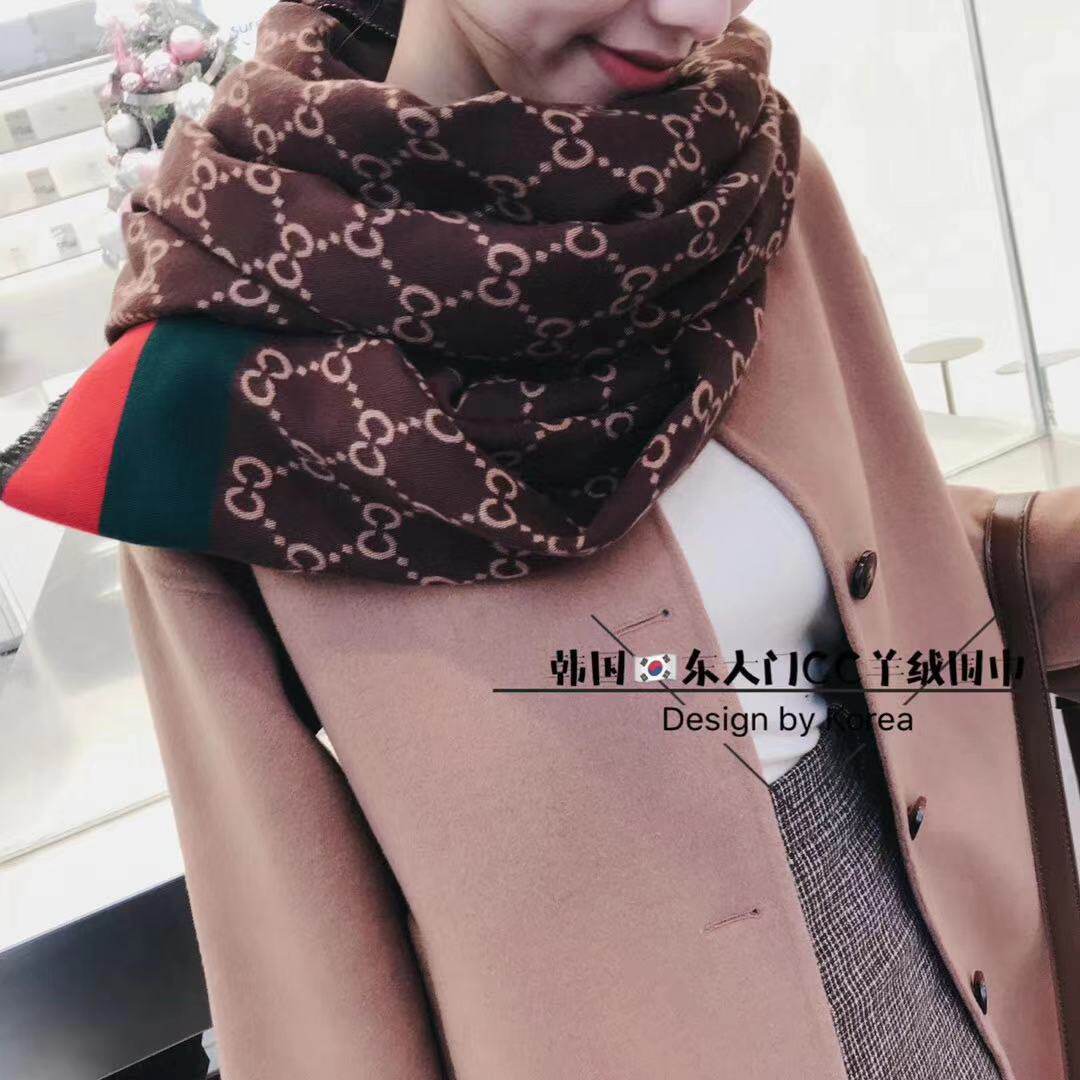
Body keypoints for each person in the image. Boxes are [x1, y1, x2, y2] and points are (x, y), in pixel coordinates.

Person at [2, 0, 1078, 1077]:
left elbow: (875, 567)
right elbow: (304, 980)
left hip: (978, 1016)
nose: (700, 14)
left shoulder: (739, 184)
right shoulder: (205, 402)